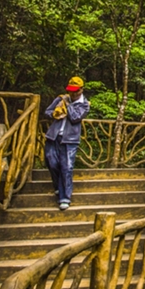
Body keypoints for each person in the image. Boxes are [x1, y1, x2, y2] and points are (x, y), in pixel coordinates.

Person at [44, 76, 90, 210]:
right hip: (53, 136)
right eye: (71, 90)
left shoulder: (85, 105)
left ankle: (65, 197)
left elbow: (75, 118)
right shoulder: (60, 99)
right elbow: (47, 111)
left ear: (81, 90)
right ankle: (58, 186)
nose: (73, 93)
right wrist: (55, 114)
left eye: (76, 91)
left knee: (67, 167)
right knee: (51, 162)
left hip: (70, 139)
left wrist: (68, 106)